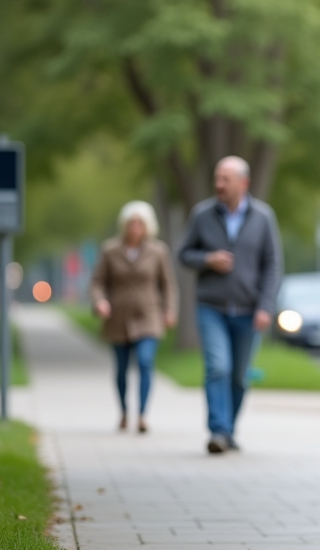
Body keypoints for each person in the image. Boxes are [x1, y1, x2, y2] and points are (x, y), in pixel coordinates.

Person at [179, 156, 283, 455]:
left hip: (249, 311)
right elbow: (184, 253)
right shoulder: (202, 214)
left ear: (244, 183)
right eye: (217, 178)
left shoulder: (263, 217)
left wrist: (266, 306)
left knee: (239, 376)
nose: (219, 185)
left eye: (225, 179)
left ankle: (228, 429)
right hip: (211, 307)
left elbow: (272, 265)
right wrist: (207, 259)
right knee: (218, 367)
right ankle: (218, 431)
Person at [90, 200, 179, 434]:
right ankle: (123, 411)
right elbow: (98, 281)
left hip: (148, 314)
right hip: (118, 316)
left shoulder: (158, 251)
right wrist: (100, 301)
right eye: (132, 223)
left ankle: (142, 414)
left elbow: (167, 284)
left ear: (148, 226)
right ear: (124, 225)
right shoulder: (110, 250)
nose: (135, 228)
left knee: (145, 361)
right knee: (121, 369)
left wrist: (170, 310)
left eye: (140, 223)